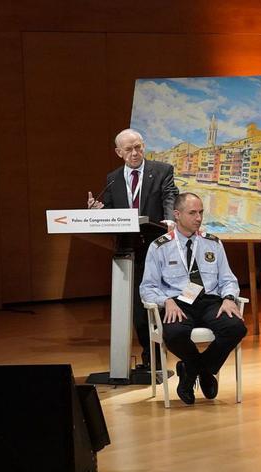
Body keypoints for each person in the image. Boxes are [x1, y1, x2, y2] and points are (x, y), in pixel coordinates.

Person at [140, 192, 246, 405]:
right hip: (178, 302)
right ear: (177, 214)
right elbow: (147, 287)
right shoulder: (159, 246)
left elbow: (228, 279)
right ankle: (203, 370)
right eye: (192, 213)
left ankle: (193, 369)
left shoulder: (213, 243)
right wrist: (166, 301)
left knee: (236, 328)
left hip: (209, 301)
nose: (198, 218)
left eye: (201, 212)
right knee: (174, 333)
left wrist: (228, 298)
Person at [88, 128, 179, 370]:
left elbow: (170, 196)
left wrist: (170, 220)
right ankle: (150, 357)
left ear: (143, 146)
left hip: (157, 246)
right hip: (129, 249)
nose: (135, 153)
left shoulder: (162, 170)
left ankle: (161, 354)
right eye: (129, 149)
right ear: (119, 152)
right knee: (139, 309)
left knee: (160, 302)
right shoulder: (113, 178)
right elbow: (112, 211)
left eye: (138, 147)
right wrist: (99, 211)